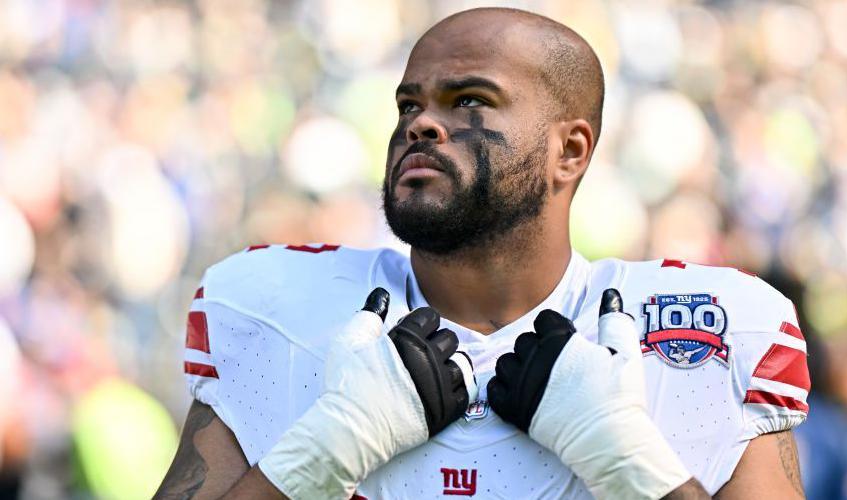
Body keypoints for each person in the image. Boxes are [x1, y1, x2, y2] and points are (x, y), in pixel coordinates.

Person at [155, 7, 810, 500]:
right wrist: (318, 456)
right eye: (409, 103)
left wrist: (635, 466)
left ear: (571, 150)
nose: (419, 122)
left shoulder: (710, 323)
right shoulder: (276, 307)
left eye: (468, 99)